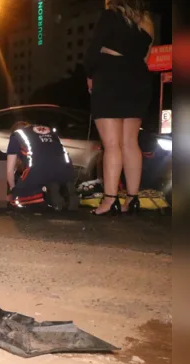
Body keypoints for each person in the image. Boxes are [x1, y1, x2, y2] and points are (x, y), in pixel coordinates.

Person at [85, 0, 154, 216]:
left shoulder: (110, 15)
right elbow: (146, 55)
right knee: (130, 142)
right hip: (138, 78)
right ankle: (132, 199)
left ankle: (110, 199)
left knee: (112, 144)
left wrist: (90, 74)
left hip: (111, 76)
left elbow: (94, 48)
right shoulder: (148, 20)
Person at [5, 121, 79, 211]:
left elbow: (9, 170)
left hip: (40, 171)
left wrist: (13, 190)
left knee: (16, 200)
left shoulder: (16, 135)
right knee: (48, 178)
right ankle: (62, 190)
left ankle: (46, 194)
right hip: (67, 170)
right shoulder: (50, 131)